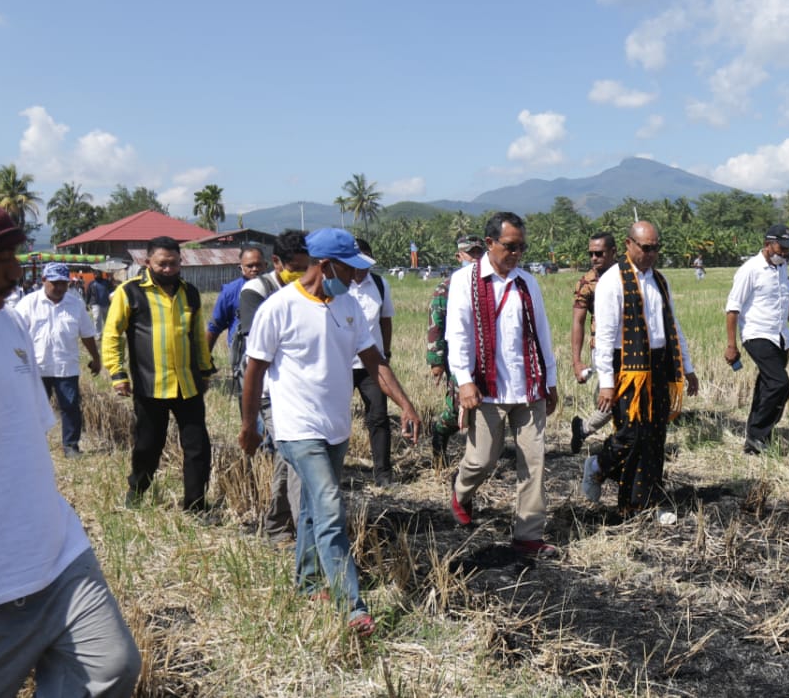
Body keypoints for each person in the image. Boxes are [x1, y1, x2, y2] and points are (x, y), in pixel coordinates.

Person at [0, 193, 141, 697]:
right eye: (2, 260)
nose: (15, 272)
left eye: (17, 258)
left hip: (54, 551)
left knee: (111, 667)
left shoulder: (10, 327)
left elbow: (23, 435)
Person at [238, 228, 422, 638]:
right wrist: (250, 425)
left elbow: (375, 362)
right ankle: (352, 605)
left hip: (335, 427)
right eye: (350, 268)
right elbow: (254, 372)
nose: (357, 277)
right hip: (296, 428)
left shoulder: (349, 306)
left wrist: (406, 404)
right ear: (325, 265)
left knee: (312, 511)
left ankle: (306, 582)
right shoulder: (279, 308)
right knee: (331, 507)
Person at [445, 212, 561, 558]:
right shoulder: (464, 281)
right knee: (482, 459)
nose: (517, 254)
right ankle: (462, 492)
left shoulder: (528, 283)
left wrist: (550, 381)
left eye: (522, 247)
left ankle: (527, 533)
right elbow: (458, 335)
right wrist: (464, 381)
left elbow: (541, 333)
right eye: (510, 246)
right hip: (487, 390)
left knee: (534, 461)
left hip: (528, 388)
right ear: (491, 243)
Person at [583, 221, 699, 518]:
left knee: (655, 437)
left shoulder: (660, 280)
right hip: (628, 371)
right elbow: (606, 336)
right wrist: (607, 382)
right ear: (629, 245)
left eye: (656, 248)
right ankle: (598, 465)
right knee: (631, 435)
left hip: (659, 366)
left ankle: (645, 502)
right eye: (646, 248)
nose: (651, 254)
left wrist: (687, 367)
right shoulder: (613, 281)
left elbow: (673, 326)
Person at [102, 236, 215, 511]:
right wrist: (118, 374)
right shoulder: (130, 292)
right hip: (150, 384)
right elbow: (112, 334)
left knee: (198, 446)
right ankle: (138, 490)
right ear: (147, 262)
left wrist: (205, 368)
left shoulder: (190, 292)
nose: (167, 269)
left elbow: (198, 337)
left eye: (173, 263)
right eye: (161, 264)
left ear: (180, 262)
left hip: (188, 385)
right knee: (148, 446)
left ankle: (196, 505)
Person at [235, 229, 309, 544]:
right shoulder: (256, 291)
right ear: (276, 263)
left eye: (308, 266)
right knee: (294, 456)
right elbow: (261, 344)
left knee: (287, 454)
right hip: (268, 390)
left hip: (299, 388)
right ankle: (299, 529)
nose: (303, 273)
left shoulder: (311, 288)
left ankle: (278, 525)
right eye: (296, 267)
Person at [724, 224, 789, 455]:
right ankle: (758, 435)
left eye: (788, 248)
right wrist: (731, 345)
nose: (786, 252)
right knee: (780, 383)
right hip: (757, 334)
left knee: (767, 387)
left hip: (781, 336)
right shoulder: (750, 270)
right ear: (768, 244)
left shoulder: (782, 267)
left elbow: (786, 300)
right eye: (782, 247)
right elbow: (732, 309)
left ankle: (757, 438)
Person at [14, 262, 103, 457]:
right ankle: (34, 446)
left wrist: (96, 358)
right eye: (55, 283)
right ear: (44, 280)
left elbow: (87, 334)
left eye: (64, 283)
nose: (60, 287)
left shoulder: (76, 304)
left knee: (70, 407)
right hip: (36, 367)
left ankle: (71, 446)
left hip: (66, 366)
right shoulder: (28, 304)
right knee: (35, 408)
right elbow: (14, 334)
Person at [426, 234, 485, 463]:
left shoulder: (488, 283)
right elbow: (435, 325)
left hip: (484, 358)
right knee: (456, 409)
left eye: (480, 252)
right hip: (457, 358)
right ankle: (440, 434)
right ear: (459, 255)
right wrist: (437, 361)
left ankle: (479, 455)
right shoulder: (447, 288)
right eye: (471, 253)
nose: (475, 258)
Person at [348, 238, 397, 486]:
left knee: (378, 417)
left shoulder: (379, 284)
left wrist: (385, 353)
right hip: (342, 364)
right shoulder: (337, 286)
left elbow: (385, 320)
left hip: (372, 365)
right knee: (335, 418)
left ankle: (383, 473)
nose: (360, 265)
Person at [569, 231, 618, 454]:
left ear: (613, 252)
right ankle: (585, 429)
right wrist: (577, 361)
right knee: (611, 397)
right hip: (603, 347)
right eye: (591, 254)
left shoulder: (628, 275)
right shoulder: (587, 282)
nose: (594, 258)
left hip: (632, 346)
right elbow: (578, 322)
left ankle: (609, 435)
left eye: (599, 253)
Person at [206, 245, 267, 394]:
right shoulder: (231, 291)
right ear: (240, 268)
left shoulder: (275, 288)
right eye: (249, 266)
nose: (254, 269)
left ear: (266, 265)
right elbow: (215, 327)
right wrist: (204, 360)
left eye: (258, 265)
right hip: (243, 358)